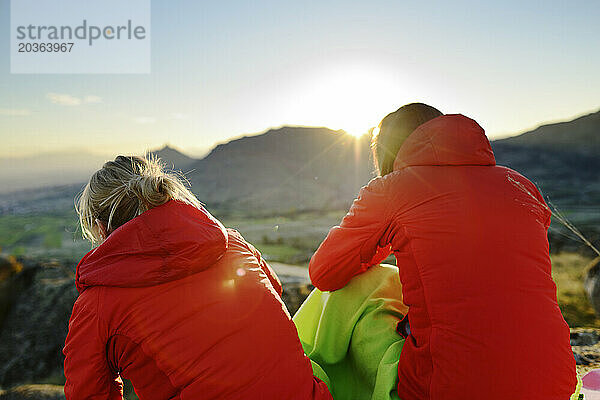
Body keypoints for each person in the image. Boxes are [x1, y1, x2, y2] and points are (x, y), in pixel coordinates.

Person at [307, 103, 577, 400]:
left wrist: (382, 241)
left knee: (365, 286)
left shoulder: (390, 189)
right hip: (554, 383)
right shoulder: (522, 185)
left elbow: (324, 273)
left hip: (450, 389)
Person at [63, 155, 332, 400]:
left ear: (99, 228)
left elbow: (87, 393)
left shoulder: (98, 306)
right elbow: (274, 289)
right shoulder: (233, 244)